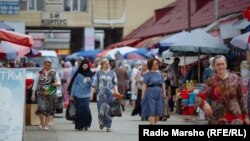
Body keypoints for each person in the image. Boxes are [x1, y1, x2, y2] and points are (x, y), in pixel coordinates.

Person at [196, 55, 250, 125]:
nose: (221, 67)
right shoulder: (211, 81)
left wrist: (245, 115)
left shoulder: (236, 78)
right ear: (214, 67)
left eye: (222, 64)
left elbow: (241, 98)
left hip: (235, 118)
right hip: (217, 118)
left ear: (226, 65)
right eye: (218, 65)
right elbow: (198, 97)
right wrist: (204, 104)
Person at [90, 58, 120, 132]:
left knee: (109, 110)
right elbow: (94, 84)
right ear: (102, 65)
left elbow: (115, 83)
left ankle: (108, 126)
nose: (107, 65)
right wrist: (91, 94)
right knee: (101, 110)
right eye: (106, 64)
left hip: (110, 94)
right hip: (100, 94)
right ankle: (101, 122)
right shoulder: (98, 73)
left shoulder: (113, 73)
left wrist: (116, 92)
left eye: (108, 64)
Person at [31, 59, 61, 130]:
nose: (47, 67)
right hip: (41, 93)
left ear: (51, 65)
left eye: (48, 65)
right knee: (41, 109)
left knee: (49, 110)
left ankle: (46, 125)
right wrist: (33, 94)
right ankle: (42, 123)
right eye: (46, 65)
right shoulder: (40, 73)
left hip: (51, 93)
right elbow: (35, 83)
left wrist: (55, 84)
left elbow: (59, 82)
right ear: (44, 65)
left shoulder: (54, 72)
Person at [68, 59, 93, 131]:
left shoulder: (90, 74)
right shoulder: (78, 73)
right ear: (81, 65)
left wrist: (89, 81)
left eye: (86, 65)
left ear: (88, 66)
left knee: (86, 109)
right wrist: (72, 94)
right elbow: (74, 84)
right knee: (79, 110)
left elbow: (93, 84)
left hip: (86, 94)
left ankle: (86, 124)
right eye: (83, 65)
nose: (85, 67)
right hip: (77, 94)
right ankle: (80, 125)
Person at [141, 58, 165, 125]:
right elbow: (144, 85)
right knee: (152, 112)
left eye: (158, 63)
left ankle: (152, 124)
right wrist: (143, 96)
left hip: (159, 92)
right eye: (156, 63)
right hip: (150, 92)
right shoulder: (147, 74)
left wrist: (164, 92)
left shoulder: (159, 73)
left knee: (158, 114)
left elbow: (163, 83)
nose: (157, 64)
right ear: (151, 65)